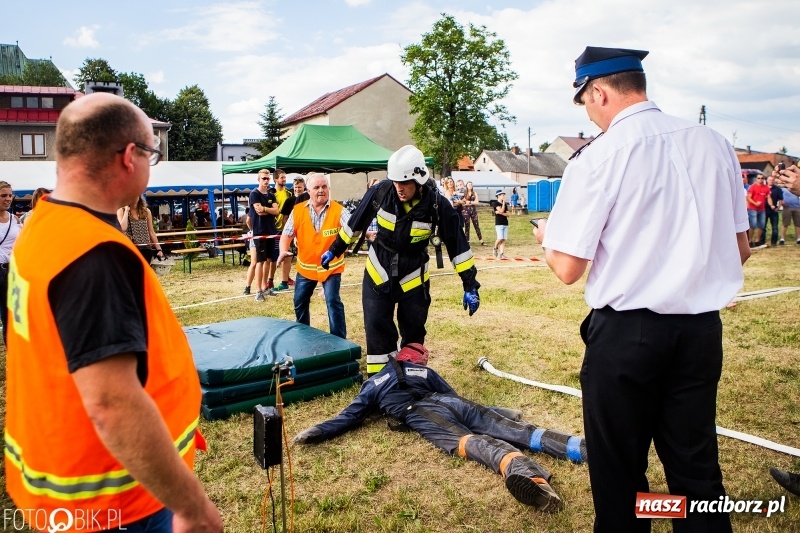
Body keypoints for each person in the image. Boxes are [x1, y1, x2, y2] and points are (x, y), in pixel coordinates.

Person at [534, 47, 749, 532]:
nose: (589, 115)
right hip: (699, 333)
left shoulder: (600, 156)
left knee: (620, 472)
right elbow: (740, 248)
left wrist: (548, 237)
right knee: (695, 467)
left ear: (599, 92)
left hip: (628, 336)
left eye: (585, 103)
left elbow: (567, 268)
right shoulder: (714, 144)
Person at [4, 93, 222, 532]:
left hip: (66, 479)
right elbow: (111, 404)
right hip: (117, 499)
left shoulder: (43, 225)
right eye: (151, 155)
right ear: (129, 156)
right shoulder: (92, 255)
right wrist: (192, 508)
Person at [292, 343, 585, 511]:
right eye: (425, 357)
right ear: (414, 359)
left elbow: (349, 416)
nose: (427, 360)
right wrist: (496, 413)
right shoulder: (425, 371)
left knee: (472, 442)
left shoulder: (374, 383)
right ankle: (583, 447)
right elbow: (456, 398)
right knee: (518, 430)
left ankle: (532, 480)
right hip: (446, 401)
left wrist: (316, 431)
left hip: (422, 412)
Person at [322, 145, 480, 376]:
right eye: (395, 181)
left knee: (414, 328)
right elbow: (355, 222)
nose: (399, 188)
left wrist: (470, 285)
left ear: (419, 180)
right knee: (377, 327)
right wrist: (334, 249)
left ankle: (412, 378)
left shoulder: (437, 205)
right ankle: (381, 380)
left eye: (404, 183)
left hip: (413, 274)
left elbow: (458, 246)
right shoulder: (381, 191)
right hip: (378, 270)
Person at [276, 173, 349, 338]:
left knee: (332, 301)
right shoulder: (297, 211)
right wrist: (283, 250)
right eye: (316, 187)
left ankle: (339, 341)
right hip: (306, 268)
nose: (321, 190)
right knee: (299, 302)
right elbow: (286, 234)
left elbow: (352, 227)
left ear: (329, 189)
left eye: (324, 187)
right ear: (308, 191)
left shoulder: (339, 210)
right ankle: (304, 337)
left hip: (331, 267)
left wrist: (367, 234)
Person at [249, 168, 279, 301]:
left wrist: (266, 208)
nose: (266, 181)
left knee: (269, 260)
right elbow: (259, 212)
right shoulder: (254, 194)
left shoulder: (271, 195)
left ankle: (265, 286)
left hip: (271, 231)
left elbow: (277, 211)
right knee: (260, 261)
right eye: (264, 178)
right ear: (258, 179)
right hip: (259, 232)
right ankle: (258, 291)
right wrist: (270, 210)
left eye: (268, 178)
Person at [0, 181, 21, 344]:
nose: (8, 199)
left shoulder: (14, 220)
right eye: (3, 195)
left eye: (10, 195)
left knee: (9, 315)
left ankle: (10, 352)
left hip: (9, 271)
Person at [118, 195, 164, 264]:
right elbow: (122, 228)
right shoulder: (121, 210)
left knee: (145, 269)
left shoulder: (146, 211)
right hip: (130, 248)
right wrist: (126, 211)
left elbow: (151, 231)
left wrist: (159, 249)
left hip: (146, 248)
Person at [271, 168, 294, 291]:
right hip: (274, 228)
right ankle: (270, 280)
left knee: (288, 255)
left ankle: (285, 279)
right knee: (274, 257)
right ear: (275, 179)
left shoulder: (289, 193)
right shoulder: (271, 193)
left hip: (287, 228)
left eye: (285, 177)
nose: (284, 179)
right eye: (282, 177)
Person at [746, 174, 770, 248]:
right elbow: (748, 198)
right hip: (752, 208)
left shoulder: (766, 187)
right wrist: (755, 203)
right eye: (759, 178)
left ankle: (757, 240)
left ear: (764, 179)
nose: (760, 179)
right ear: (756, 179)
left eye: (762, 178)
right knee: (753, 225)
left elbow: (768, 197)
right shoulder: (752, 187)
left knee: (761, 225)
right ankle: (750, 241)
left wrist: (772, 205)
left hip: (762, 209)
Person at [761, 175, 783, 246]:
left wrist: (778, 208)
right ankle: (762, 241)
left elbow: (780, 199)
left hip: (773, 210)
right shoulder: (763, 188)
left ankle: (774, 242)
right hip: (764, 210)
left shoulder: (778, 189)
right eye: (770, 180)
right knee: (763, 227)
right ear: (767, 180)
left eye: (772, 180)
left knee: (775, 227)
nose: (771, 181)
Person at [462, 180, 485, 245]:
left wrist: (469, 202)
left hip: (473, 211)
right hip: (466, 211)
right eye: (469, 184)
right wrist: (471, 202)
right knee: (467, 226)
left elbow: (477, 202)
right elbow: (463, 203)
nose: (470, 186)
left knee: (476, 225)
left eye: (471, 185)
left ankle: (481, 240)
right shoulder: (464, 193)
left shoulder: (474, 193)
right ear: (466, 186)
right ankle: (467, 240)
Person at [490, 189, 509, 258]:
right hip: (499, 223)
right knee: (500, 238)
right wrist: (503, 205)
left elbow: (508, 214)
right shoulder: (496, 203)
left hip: (505, 223)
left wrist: (501, 213)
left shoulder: (505, 204)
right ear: (498, 196)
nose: (504, 196)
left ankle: (502, 253)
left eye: (504, 195)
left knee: (503, 239)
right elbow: (501, 210)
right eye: (502, 195)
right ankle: (495, 247)